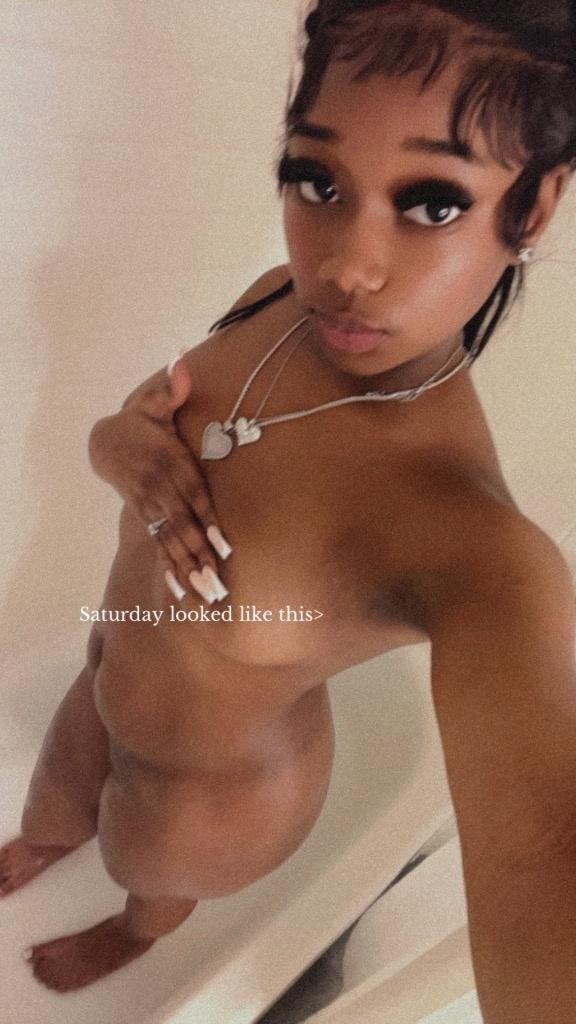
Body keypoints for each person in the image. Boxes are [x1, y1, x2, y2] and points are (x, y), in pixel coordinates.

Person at [2, 1, 576, 1017]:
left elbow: (544, 853)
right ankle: (50, 841)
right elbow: (138, 422)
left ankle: (135, 929)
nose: (347, 268)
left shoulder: (473, 544)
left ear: (532, 211)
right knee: (55, 801)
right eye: (319, 181)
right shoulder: (276, 302)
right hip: (105, 667)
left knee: (146, 876)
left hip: (205, 803)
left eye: (430, 203)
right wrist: (119, 449)